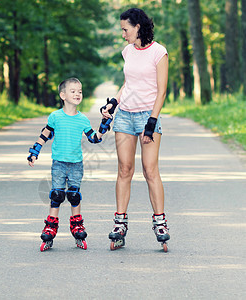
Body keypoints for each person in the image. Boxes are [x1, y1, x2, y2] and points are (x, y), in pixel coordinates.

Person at [100, 8, 170, 251]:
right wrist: (114, 102)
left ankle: (160, 223)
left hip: (147, 117)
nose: (123, 34)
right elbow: (128, 84)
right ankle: (120, 225)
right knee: (124, 170)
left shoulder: (159, 52)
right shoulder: (127, 51)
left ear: (137, 27)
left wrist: (152, 120)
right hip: (125, 116)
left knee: (150, 171)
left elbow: (161, 90)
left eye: (125, 29)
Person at [28, 77, 112, 251]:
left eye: (80, 91)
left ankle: (77, 226)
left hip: (76, 165)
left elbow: (94, 138)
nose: (77, 94)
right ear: (63, 95)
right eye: (73, 91)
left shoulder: (82, 120)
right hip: (59, 163)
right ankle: (50, 226)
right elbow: (45, 134)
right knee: (57, 195)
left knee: (74, 195)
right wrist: (35, 151)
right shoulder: (55, 117)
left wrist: (104, 123)